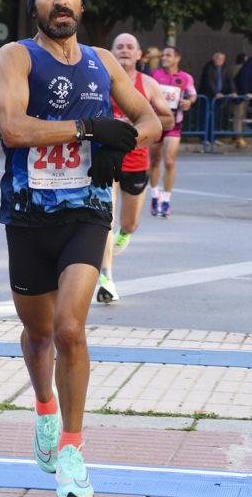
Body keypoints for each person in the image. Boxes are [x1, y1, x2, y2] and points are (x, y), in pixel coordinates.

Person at [0, 0, 160, 497]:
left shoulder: (101, 61)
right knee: (39, 335)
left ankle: (72, 450)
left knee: (69, 328)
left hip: (86, 212)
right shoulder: (15, 57)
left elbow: (150, 119)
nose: (59, 0)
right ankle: (44, 407)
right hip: (28, 213)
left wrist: (123, 143)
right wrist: (90, 130)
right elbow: (14, 128)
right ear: (33, 4)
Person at [96, 33, 174, 304]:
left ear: (139, 54)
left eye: (130, 47)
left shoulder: (148, 84)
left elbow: (167, 118)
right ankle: (106, 278)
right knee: (106, 216)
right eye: (119, 46)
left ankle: (124, 235)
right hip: (107, 156)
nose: (125, 51)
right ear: (112, 52)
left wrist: (141, 119)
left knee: (128, 223)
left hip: (136, 159)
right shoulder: (101, 80)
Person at [149, 46, 195, 217]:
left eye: (168, 55)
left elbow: (193, 95)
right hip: (156, 122)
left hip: (175, 123)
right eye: (163, 55)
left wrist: (189, 102)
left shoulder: (185, 77)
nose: (164, 57)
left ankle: (166, 200)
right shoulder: (154, 75)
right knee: (154, 161)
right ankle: (155, 196)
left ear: (177, 58)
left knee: (169, 161)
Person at [199, 51, 236, 136]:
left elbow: (229, 80)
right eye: (219, 58)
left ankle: (213, 137)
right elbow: (209, 81)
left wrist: (233, 91)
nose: (221, 61)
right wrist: (216, 92)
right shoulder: (209, 67)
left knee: (215, 117)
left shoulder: (225, 68)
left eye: (222, 59)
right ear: (214, 59)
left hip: (218, 98)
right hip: (208, 96)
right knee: (205, 117)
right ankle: (204, 137)